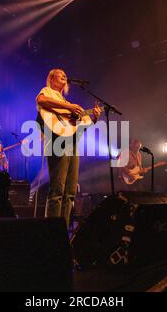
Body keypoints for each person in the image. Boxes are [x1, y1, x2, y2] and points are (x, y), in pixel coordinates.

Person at [36, 68, 101, 228]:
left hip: (71, 144)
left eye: (65, 75)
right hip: (56, 143)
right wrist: (70, 107)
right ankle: (51, 232)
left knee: (70, 192)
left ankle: (63, 231)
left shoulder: (65, 102)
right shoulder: (48, 91)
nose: (65, 76)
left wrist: (93, 119)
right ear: (52, 79)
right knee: (57, 190)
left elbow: (77, 129)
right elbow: (41, 101)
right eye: (61, 75)